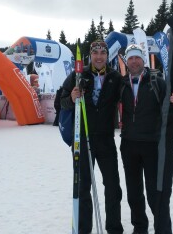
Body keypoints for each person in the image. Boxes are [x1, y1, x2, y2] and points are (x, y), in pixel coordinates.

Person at [60, 40, 123, 234]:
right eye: (95, 53)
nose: (99, 57)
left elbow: (128, 98)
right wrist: (71, 98)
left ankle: (113, 228)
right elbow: (61, 102)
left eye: (102, 53)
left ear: (107, 56)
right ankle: (83, 229)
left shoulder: (115, 77)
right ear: (90, 55)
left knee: (113, 187)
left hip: (105, 138)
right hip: (83, 137)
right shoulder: (79, 75)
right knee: (83, 186)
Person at [119, 44, 173, 234]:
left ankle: (162, 229)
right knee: (134, 192)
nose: (134, 61)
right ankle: (140, 227)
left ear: (143, 60)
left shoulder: (157, 81)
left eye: (137, 57)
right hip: (129, 144)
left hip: (152, 145)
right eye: (131, 58)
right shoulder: (121, 83)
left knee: (156, 193)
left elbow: (169, 110)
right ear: (126, 61)